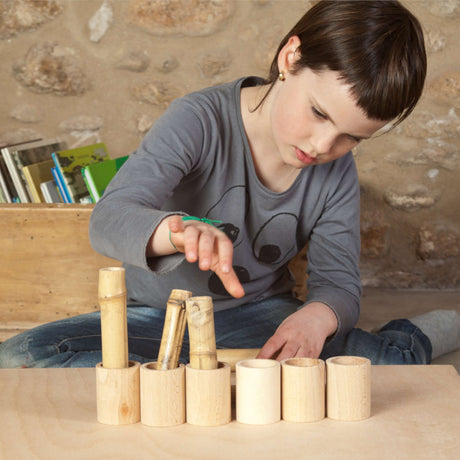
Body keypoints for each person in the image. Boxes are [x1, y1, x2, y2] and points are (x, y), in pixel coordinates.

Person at [1, 0, 459, 368]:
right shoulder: (197, 119)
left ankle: (410, 339)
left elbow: (337, 283)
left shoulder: (336, 172)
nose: (323, 145)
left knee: (379, 363)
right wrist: (176, 230)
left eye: (351, 137)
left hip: (259, 318)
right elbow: (108, 219)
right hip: (157, 319)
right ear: (290, 57)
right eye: (319, 113)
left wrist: (316, 319)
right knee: (15, 358)